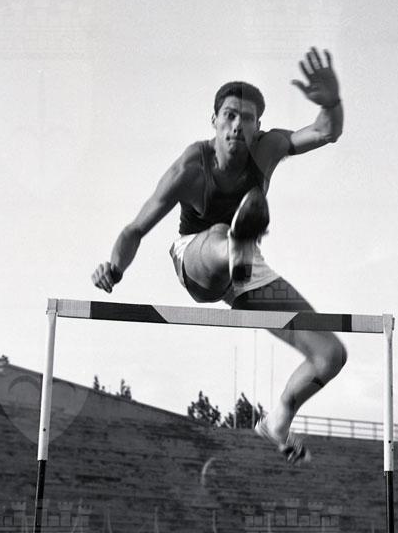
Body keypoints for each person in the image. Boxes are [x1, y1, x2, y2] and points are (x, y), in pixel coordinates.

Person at [92, 47, 347, 464]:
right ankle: (235, 246)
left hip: (247, 269)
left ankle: (278, 420)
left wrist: (332, 101)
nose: (237, 125)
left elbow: (324, 131)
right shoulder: (190, 168)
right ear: (213, 121)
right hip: (197, 258)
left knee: (330, 355)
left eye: (247, 118)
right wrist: (114, 268)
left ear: (258, 127)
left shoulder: (269, 147)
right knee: (217, 235)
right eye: (229, 115)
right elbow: (134, 230)